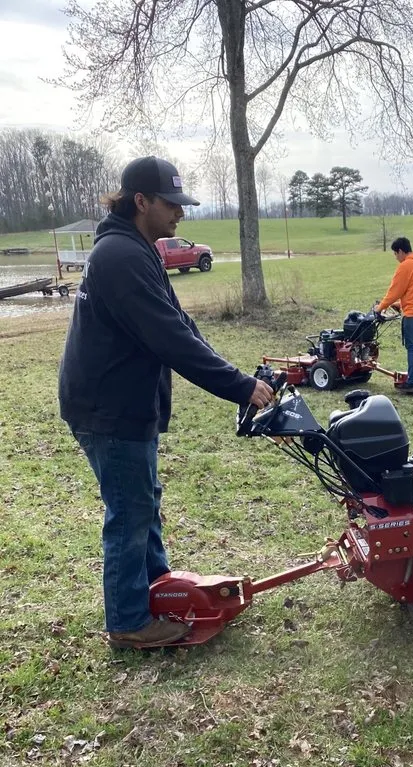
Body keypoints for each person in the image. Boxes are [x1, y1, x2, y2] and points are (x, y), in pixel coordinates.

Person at [58, 156, 273, 650]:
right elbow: (170, 340)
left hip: (121, 403)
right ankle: (130, 622)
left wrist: (234, 374)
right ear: (141, 202)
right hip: (108, 409)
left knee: (142, 502)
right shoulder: (122, 257)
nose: (180, 214)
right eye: (171, 203)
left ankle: (157, 588)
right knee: (129, 514)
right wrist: (239, 387)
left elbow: (180, 323)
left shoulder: (137, 250)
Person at [375, 236, 413, 395]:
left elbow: (395, 291)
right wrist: (400, 305)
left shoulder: (406, 265)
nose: (396, 258)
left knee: (412, 348)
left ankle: (412, 383)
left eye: (396, 254)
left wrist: (380, 308)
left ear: (400, 251)